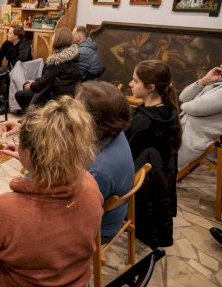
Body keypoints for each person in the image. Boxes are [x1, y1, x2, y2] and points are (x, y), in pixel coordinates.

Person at [0, 96, 103, 286]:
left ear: (30, 154)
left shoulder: (3, 210)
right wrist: (34, 165)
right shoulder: (90, 185)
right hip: (76, 280)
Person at [125, 59, 182, 249]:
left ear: (150, 87)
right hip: (159, 179)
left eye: (135, 81)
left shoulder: (145, 122)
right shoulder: (168, 110)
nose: (130, 84)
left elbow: (127, 152)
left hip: (145, 186)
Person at [75, 81, 134, 243]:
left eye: (76, 108)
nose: (70, 112)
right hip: (104, 209)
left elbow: (73, 211)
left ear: (93, 120)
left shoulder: (98, 170)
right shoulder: (113, 131)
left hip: (98, 229)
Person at [14, 26, 80, 110]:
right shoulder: (67, 55)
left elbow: (47, 78)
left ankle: (34, 117)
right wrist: (35, 81)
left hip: (55, 93)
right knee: (26, 86)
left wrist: (33, 85)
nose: (52, 39)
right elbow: (48, 76)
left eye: (53, 36)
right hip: (57, 89)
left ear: (59, 39)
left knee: (20, 95)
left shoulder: (61, 59)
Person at [178, 65, 222, 168]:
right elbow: (183, 97)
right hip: (183, 132)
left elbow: (195, 108)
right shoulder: (217, 82)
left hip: (194, 140)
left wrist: (183, 106)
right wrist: (205, 80)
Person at [0, 24, 32, 115]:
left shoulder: (24, 43)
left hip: (22, 71)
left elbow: (23, 58)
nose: (7, 35)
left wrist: (12, 66)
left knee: (6, 76)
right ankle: (0, 101)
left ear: (16, 36)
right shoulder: (8, 43)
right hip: (12, 67)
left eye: (9, 33)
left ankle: (6, 105)